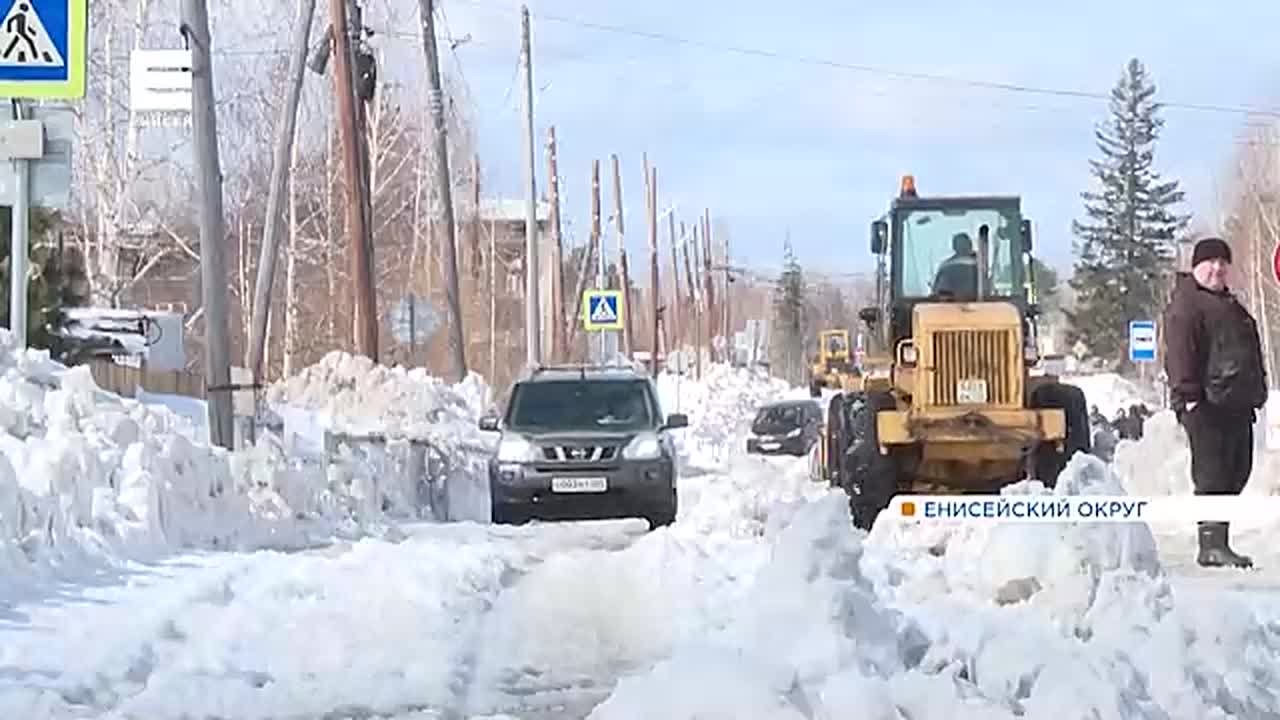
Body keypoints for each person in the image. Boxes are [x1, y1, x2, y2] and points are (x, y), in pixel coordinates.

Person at [1163, 237, 1267, 569]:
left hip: (1235, 404)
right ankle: (1211, 545)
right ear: (1196, 267)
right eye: (1210, 262)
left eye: (1223, 262)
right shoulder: (1188, 305)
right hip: (1206, 404)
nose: (1217, 268)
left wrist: (1258, 391)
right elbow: (1180, 354)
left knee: (1238, 471)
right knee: (1213, 475)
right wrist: (1189, 396)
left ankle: (1220, 540)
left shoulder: (1229, 304)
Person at [932, 232, 979, 298]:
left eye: (964, 244)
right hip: (954, 305)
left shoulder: (980, 264)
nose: (963, 247)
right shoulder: (947, 267)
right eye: (961, 245)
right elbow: (940, 293)